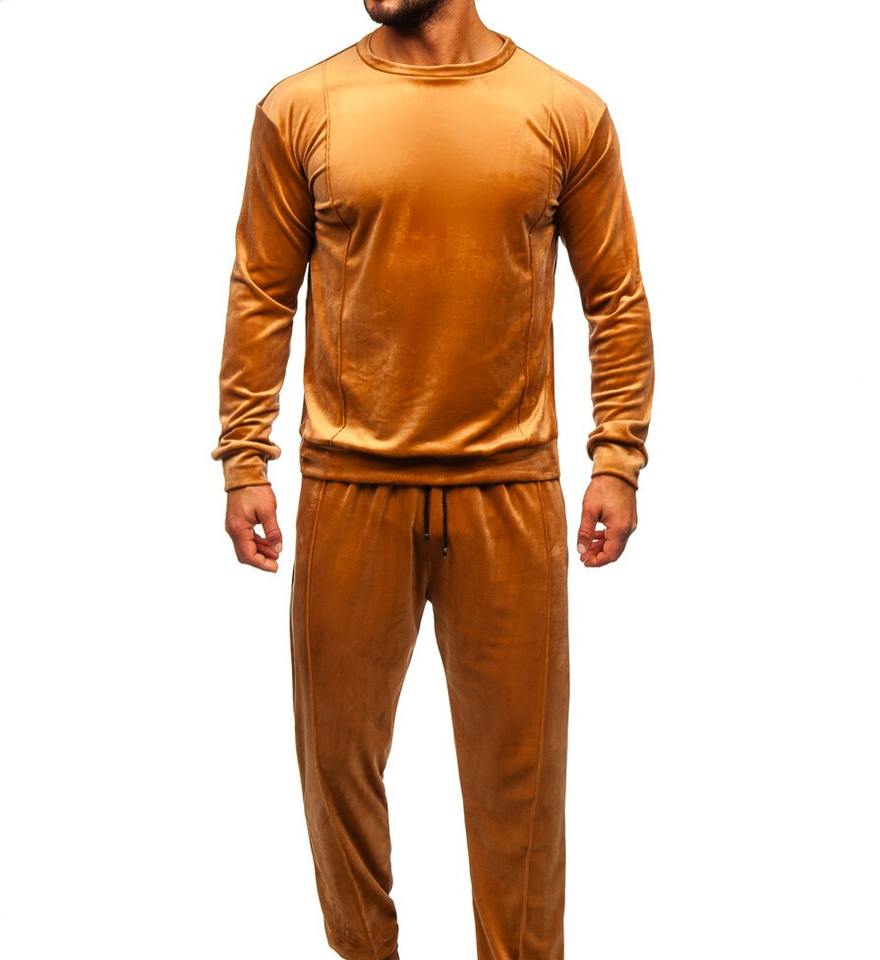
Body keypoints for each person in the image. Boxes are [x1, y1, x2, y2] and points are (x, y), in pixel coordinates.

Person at [211, 1, 655, 957]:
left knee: (520, 789)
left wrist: (616, 456)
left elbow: (615, 298)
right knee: (334, 766)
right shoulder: (300, 107)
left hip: (510, 491)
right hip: (348, 485)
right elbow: (261, 290)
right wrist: (244, 456)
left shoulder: (563, 111)